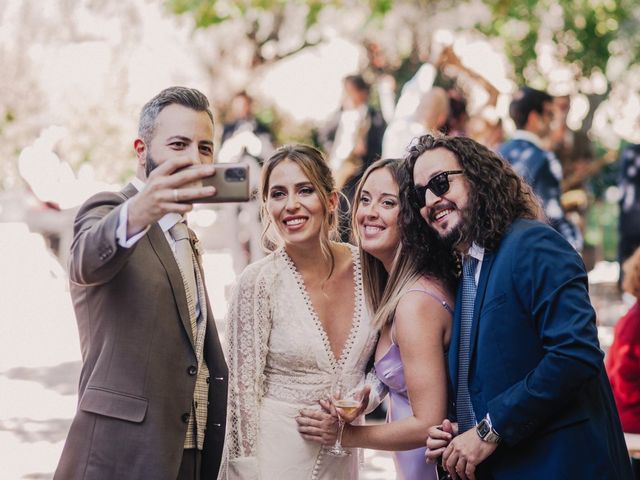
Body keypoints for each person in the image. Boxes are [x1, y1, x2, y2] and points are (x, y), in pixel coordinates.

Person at [410, 133, 632, 479]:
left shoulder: (533, 243)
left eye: (440, 183)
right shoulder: (468, 270)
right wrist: (459, 428)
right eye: (418, 193)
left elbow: (575, 353)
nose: (429, 201)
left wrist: (490, 428)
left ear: (478, 177)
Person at [54, 87, 228, 479]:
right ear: (141, 150)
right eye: (178, 144)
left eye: (204, 147)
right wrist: (137, 212)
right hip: (121, 455)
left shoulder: (185, 235)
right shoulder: (110, 209)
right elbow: (84, 261)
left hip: (189, 455)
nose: (193, 158)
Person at [218, 144, 378, 479]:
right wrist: (242, 473)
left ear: (331, 200)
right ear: (267, 207)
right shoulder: (258, 282)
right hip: (273, 463)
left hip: (343, 460)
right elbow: (239, 397)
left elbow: (387, 369)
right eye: (278, 194)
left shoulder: (372, 270)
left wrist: (368, 399)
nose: (291, 205)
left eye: (305, 190)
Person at [295, 158, 456, 479]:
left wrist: (344, 435)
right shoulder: (391, 288)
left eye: (387, 203)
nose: (369, 212)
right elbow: (403, 374)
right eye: (365, 199)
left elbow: (428, 422)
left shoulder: (416, 302)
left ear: (411, 216)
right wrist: (370, 392)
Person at [498, 86, 583, 251]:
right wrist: (574, 238)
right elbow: (551, 218)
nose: (554, 122)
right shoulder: (545, 160)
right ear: (534, 119)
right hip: (532, 252)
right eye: (550, 115)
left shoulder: (495, 153)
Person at [318, 75, 386, 193]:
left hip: (360, 172)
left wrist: (365, 150)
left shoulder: (375, 116)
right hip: (338, 167)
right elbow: (324, 136)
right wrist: (334, 152)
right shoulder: (340, 114)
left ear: (362, 93)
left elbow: (380, 145)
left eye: (350, 91)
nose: (346, 95)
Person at [382, 86, 449, 159]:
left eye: (426, 107)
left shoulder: (396, 127)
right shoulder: (432, 145)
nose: (420, 110)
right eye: (422, 105)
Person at [618, 143, 640, 287]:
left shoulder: (628, 152)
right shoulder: (630, 152)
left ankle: (626, 285)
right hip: (631, 214)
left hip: (628, 214)